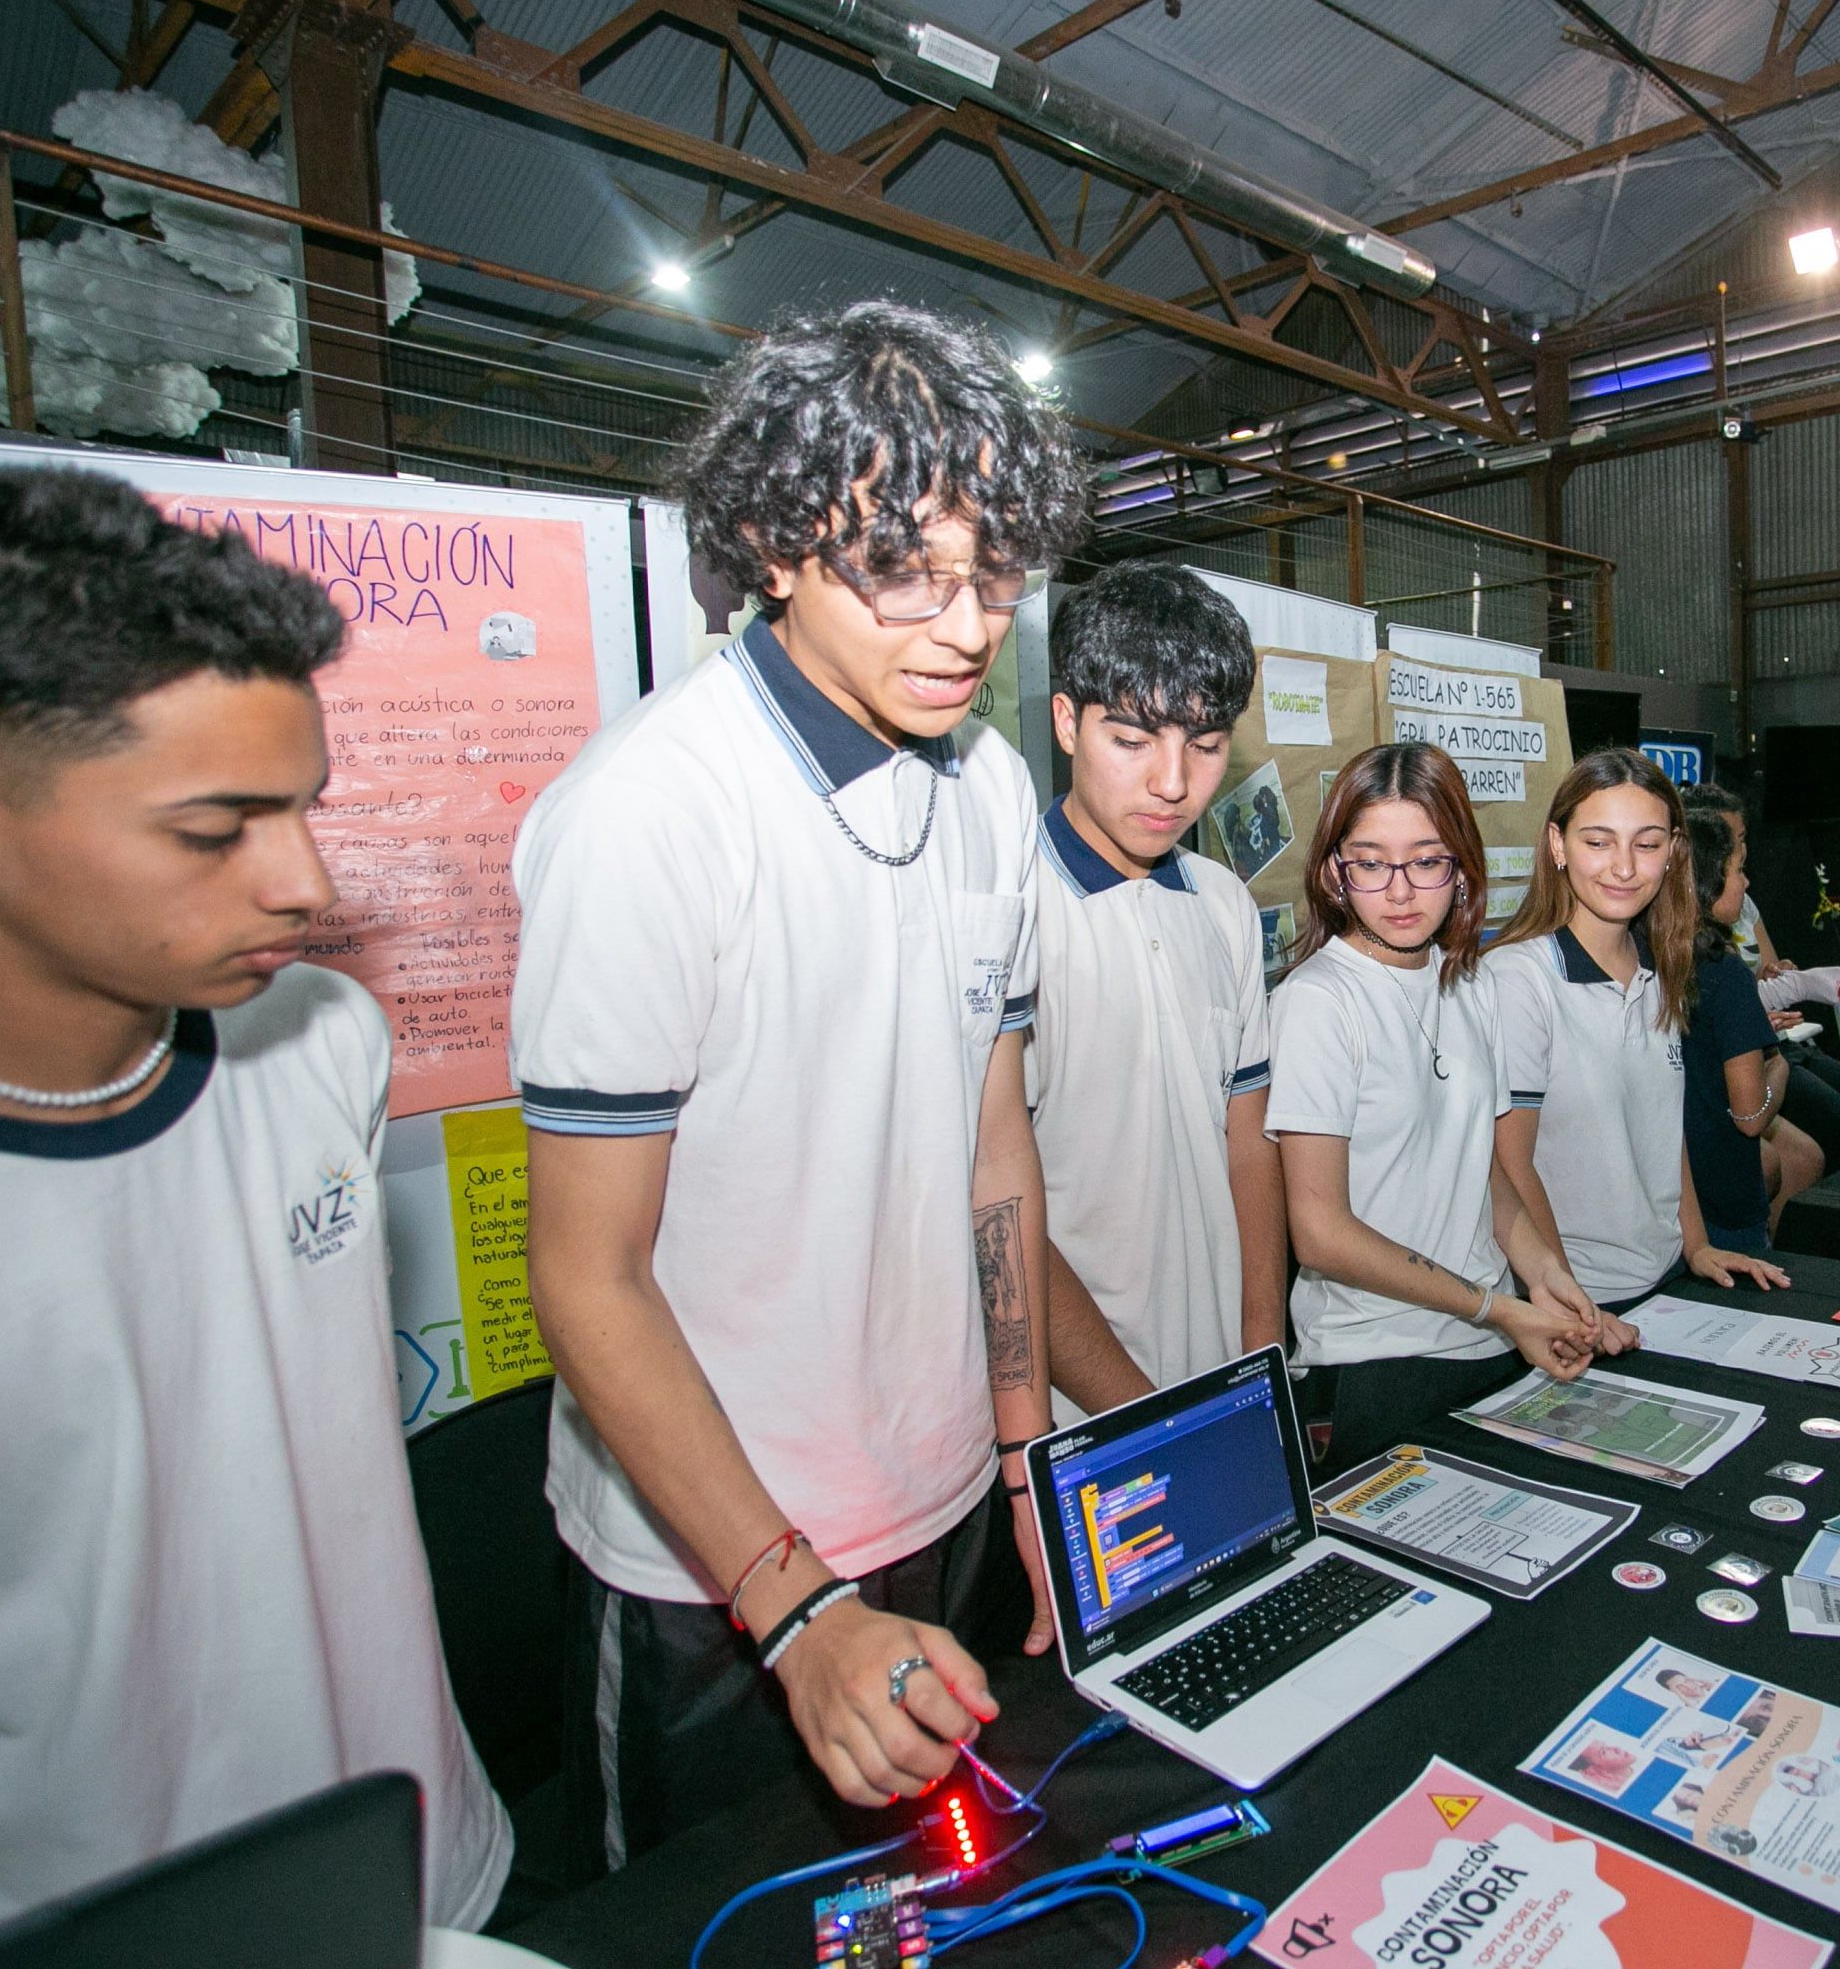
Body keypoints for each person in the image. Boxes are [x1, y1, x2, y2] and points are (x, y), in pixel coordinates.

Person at [0, 468, 508, 1958]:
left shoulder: (319, 1042)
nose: (306, 882)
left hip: (419, 1870)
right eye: (216, 830)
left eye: (304, 809)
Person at [510, 300, 1089, 1878]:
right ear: (771, 541)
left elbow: (994, 1152)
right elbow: (586, 1274)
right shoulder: (650, 814)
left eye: (996, 576)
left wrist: (1029, 1449)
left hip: (949, 1500)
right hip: (717, 1570)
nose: (966, 628)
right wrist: (795, 1600)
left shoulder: (989, 790)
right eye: (905, 570)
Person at [1267, 743, 1598, 1466]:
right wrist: (1498, 1306)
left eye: (1426, 860)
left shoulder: (1468, 981)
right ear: (1333, 871)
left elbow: (1479, 1170)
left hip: (1486, 1343)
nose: (1400, 890)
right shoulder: (1318, 1001)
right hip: (1374, 1363)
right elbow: (1319, 1231)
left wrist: (1545, 1274)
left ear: (1460, 866)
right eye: (1371, 861)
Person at [1025, 561, 1286, 1416]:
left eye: (1205, 746)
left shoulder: (1222, 903)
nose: (1173, 783)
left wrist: (1262, 1352)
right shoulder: (1006, 908)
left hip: (1222, 1377)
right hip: (1076, 1407)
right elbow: (989, 1203)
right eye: (1133, 741)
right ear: (1067, 721)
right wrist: (1141, 1415)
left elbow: (1248, 1144)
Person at [1486, 749, 1785, 1312]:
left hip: (1666, 1278)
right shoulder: (1518, 979)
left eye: (1646, 844)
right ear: (1558, 845)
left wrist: (1697, 1245)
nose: (1624, 867)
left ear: (1673, 852)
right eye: (1598, 842)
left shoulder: (1661, 969)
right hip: (1582, 1296)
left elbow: (1661, 1132)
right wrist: (1569, 1299)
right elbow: (1510, 1165)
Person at [1684, 784, 1840, 1174]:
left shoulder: (1741, 905)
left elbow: (1766, 974)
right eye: (1733, 849)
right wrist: (1783, 995)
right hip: (1756, 1055)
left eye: (1741, 839)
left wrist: (1778, 978)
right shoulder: (1697, 949)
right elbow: (1749, 1109)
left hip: (1778, 1043)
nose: (1745, 862)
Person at [1682, 805, 1812, 1251]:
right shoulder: (1724, 972)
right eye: (1738, 870)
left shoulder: (1656, 959)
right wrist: (1777, 1064)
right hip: (1727, 1194)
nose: (1746, 881)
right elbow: (1751, 1116)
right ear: (1709, 878)